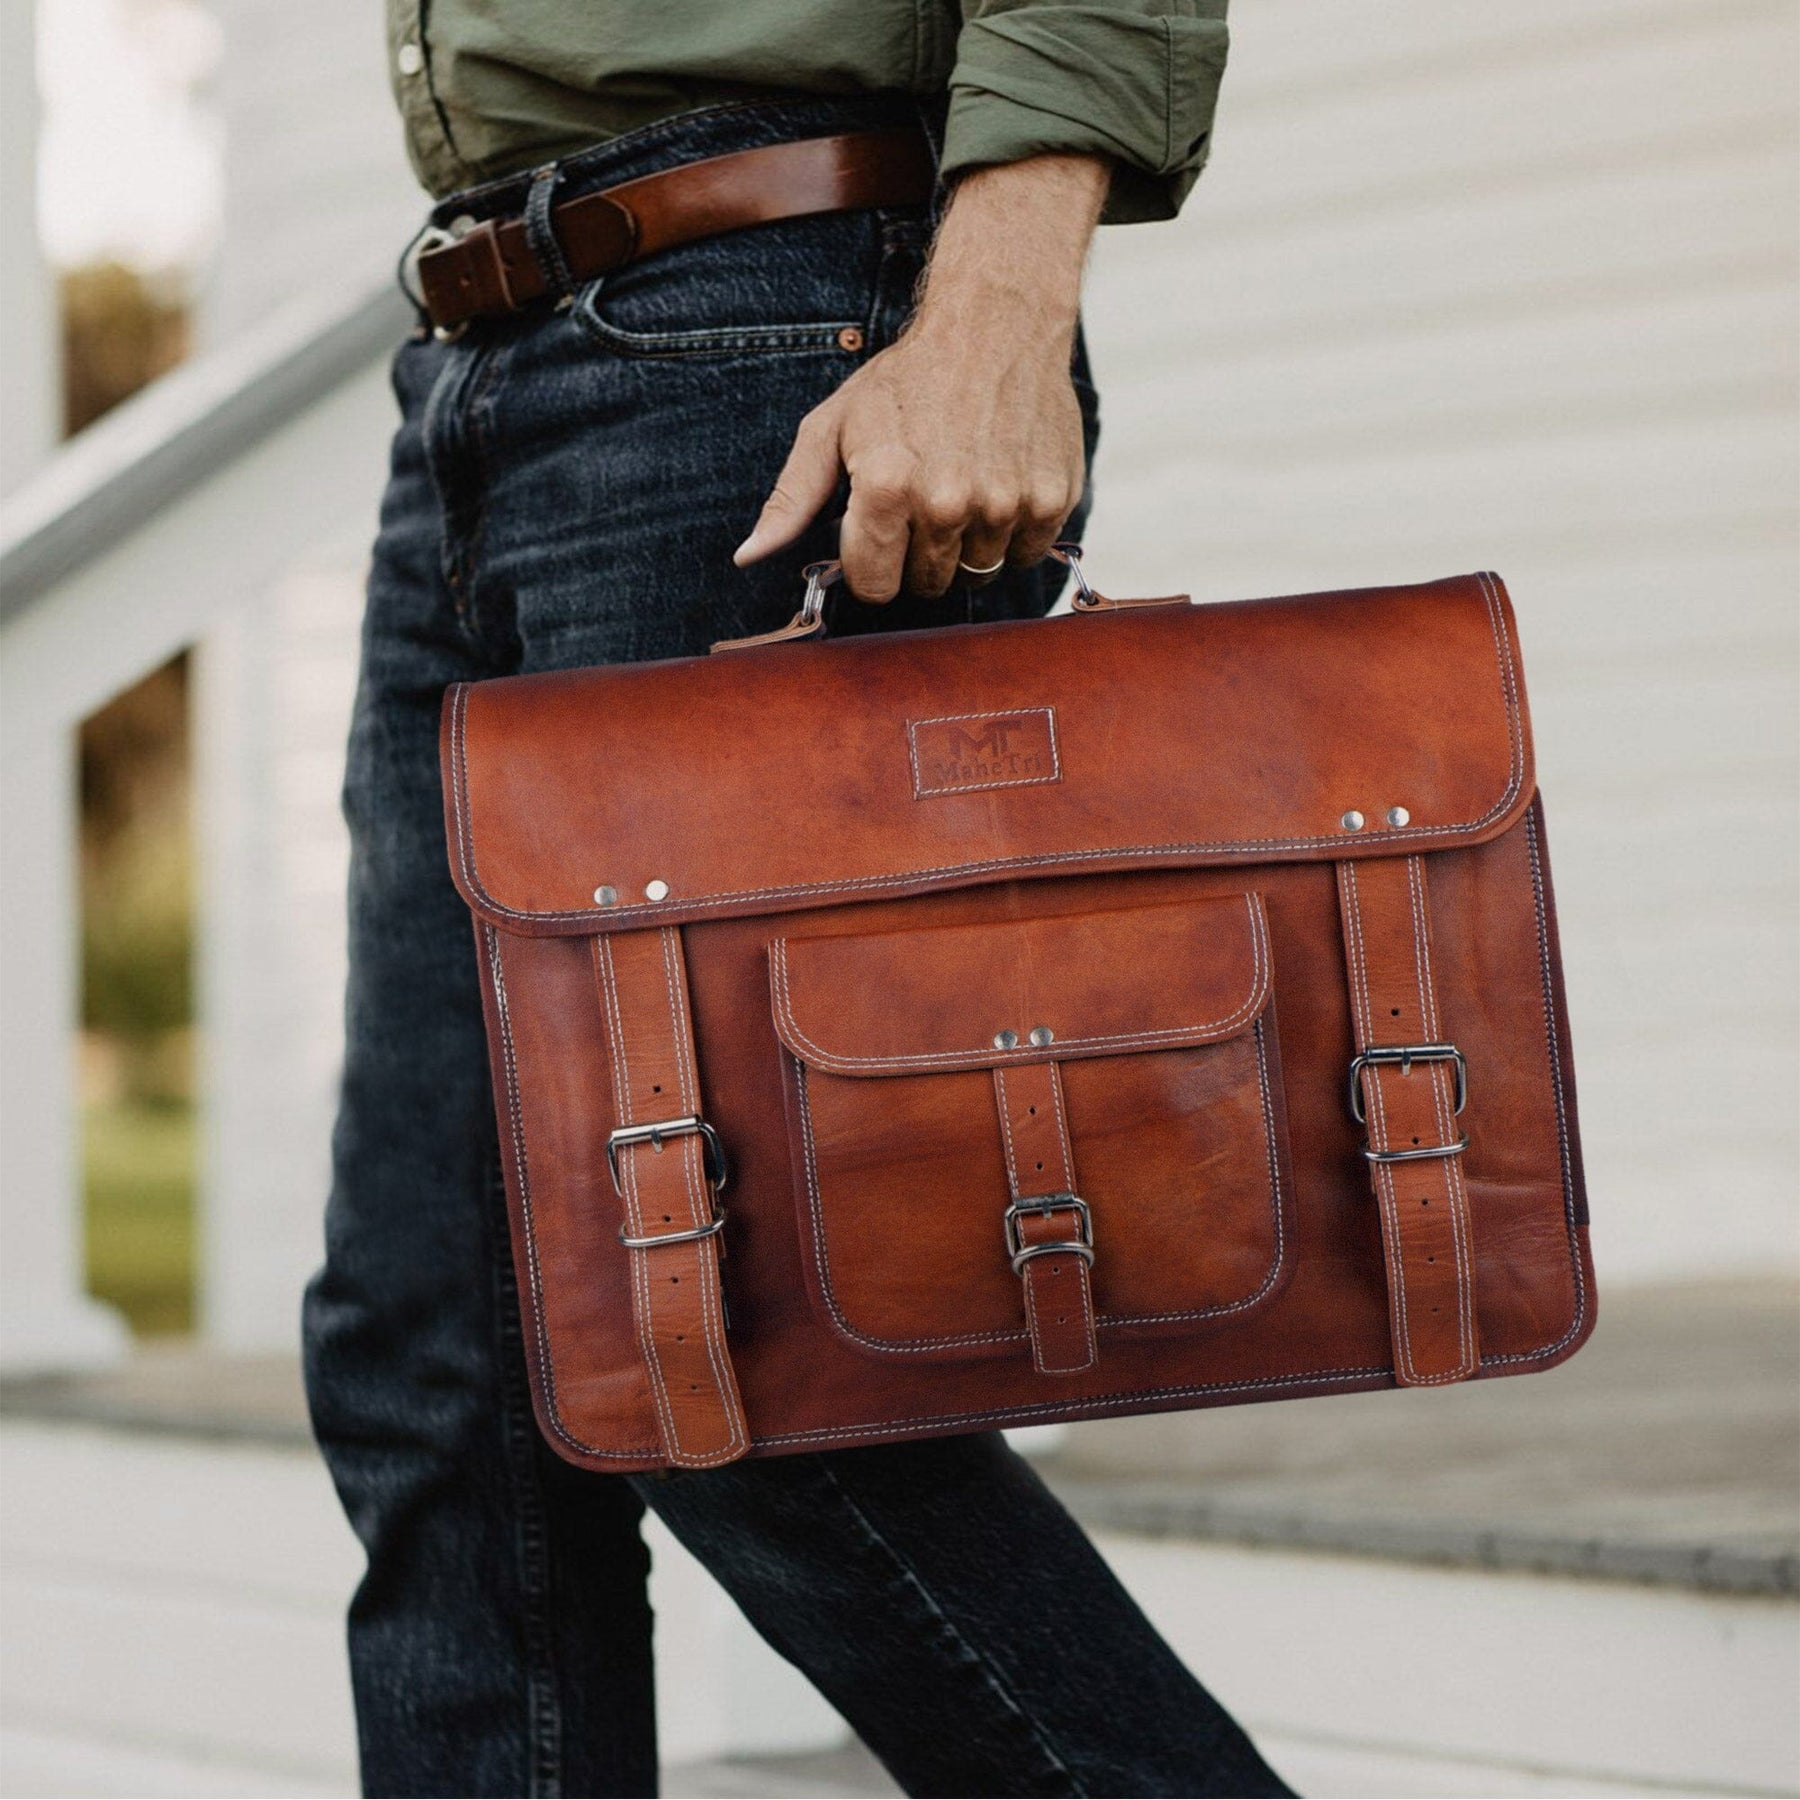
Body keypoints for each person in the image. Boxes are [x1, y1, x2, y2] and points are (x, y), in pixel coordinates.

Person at [303, 5, 1293, 1795]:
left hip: (759, 337)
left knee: (723, 1339)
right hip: (474, 363)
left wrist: (1000, 310)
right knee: (433, 1365)